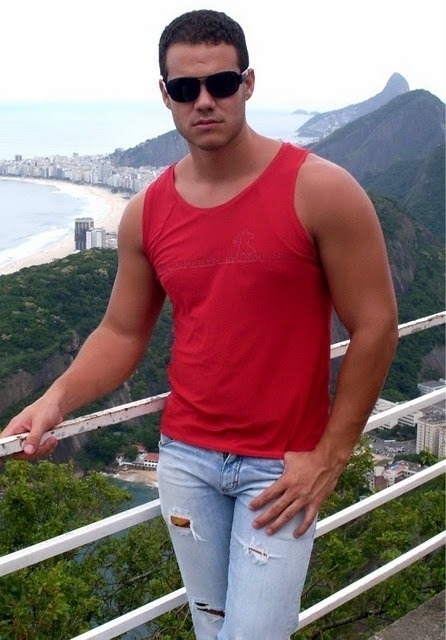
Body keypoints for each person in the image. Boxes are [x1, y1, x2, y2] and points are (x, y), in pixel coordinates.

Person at [0, 9, 398, 639]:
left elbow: (375, 325)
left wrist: (331, 455)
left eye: (221, 82)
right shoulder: (147, 211)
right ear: (166, 95)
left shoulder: (321, 190)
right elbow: (122, 333)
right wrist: (55, 400)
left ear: (248, 83)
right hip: (186, 462)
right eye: (186, 88)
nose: (204, 100)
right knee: (211, 629)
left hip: (281, 466)